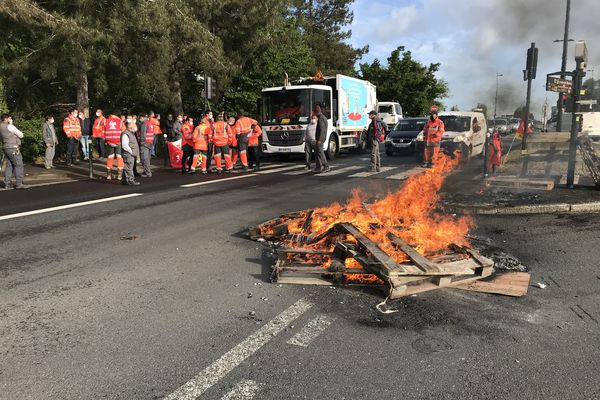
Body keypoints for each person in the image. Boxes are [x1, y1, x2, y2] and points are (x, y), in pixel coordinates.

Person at [1, 113, 28, 189]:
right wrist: (12, 124)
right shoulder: (10, 126)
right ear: (6, 119)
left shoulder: (0, 126)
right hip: (13, 147)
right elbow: (21, 135)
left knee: (9, 165)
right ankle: (19, 183)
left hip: (6, 147)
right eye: (9, 118)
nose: (10, 119)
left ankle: (7, 183)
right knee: (19, 165)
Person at [104, 112, 125, 180]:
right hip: (118, 142)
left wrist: (106, 141)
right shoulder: (120, 121)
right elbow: (124, 132)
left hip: (109, 142)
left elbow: (103, 132)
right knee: (119, 157)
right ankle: (119, 175)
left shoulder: (105, 121)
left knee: (110, 157)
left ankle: (108, 175)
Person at [313, 104, 330, 173]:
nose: (316, 110)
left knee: (320, 152)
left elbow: (322, 130)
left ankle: (326, 166)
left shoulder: (321, 118)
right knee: (317, 152)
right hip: (319, 139)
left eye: (317, 108)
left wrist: (320, 140)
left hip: (320, 139)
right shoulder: (321, 118)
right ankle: (318, 167)